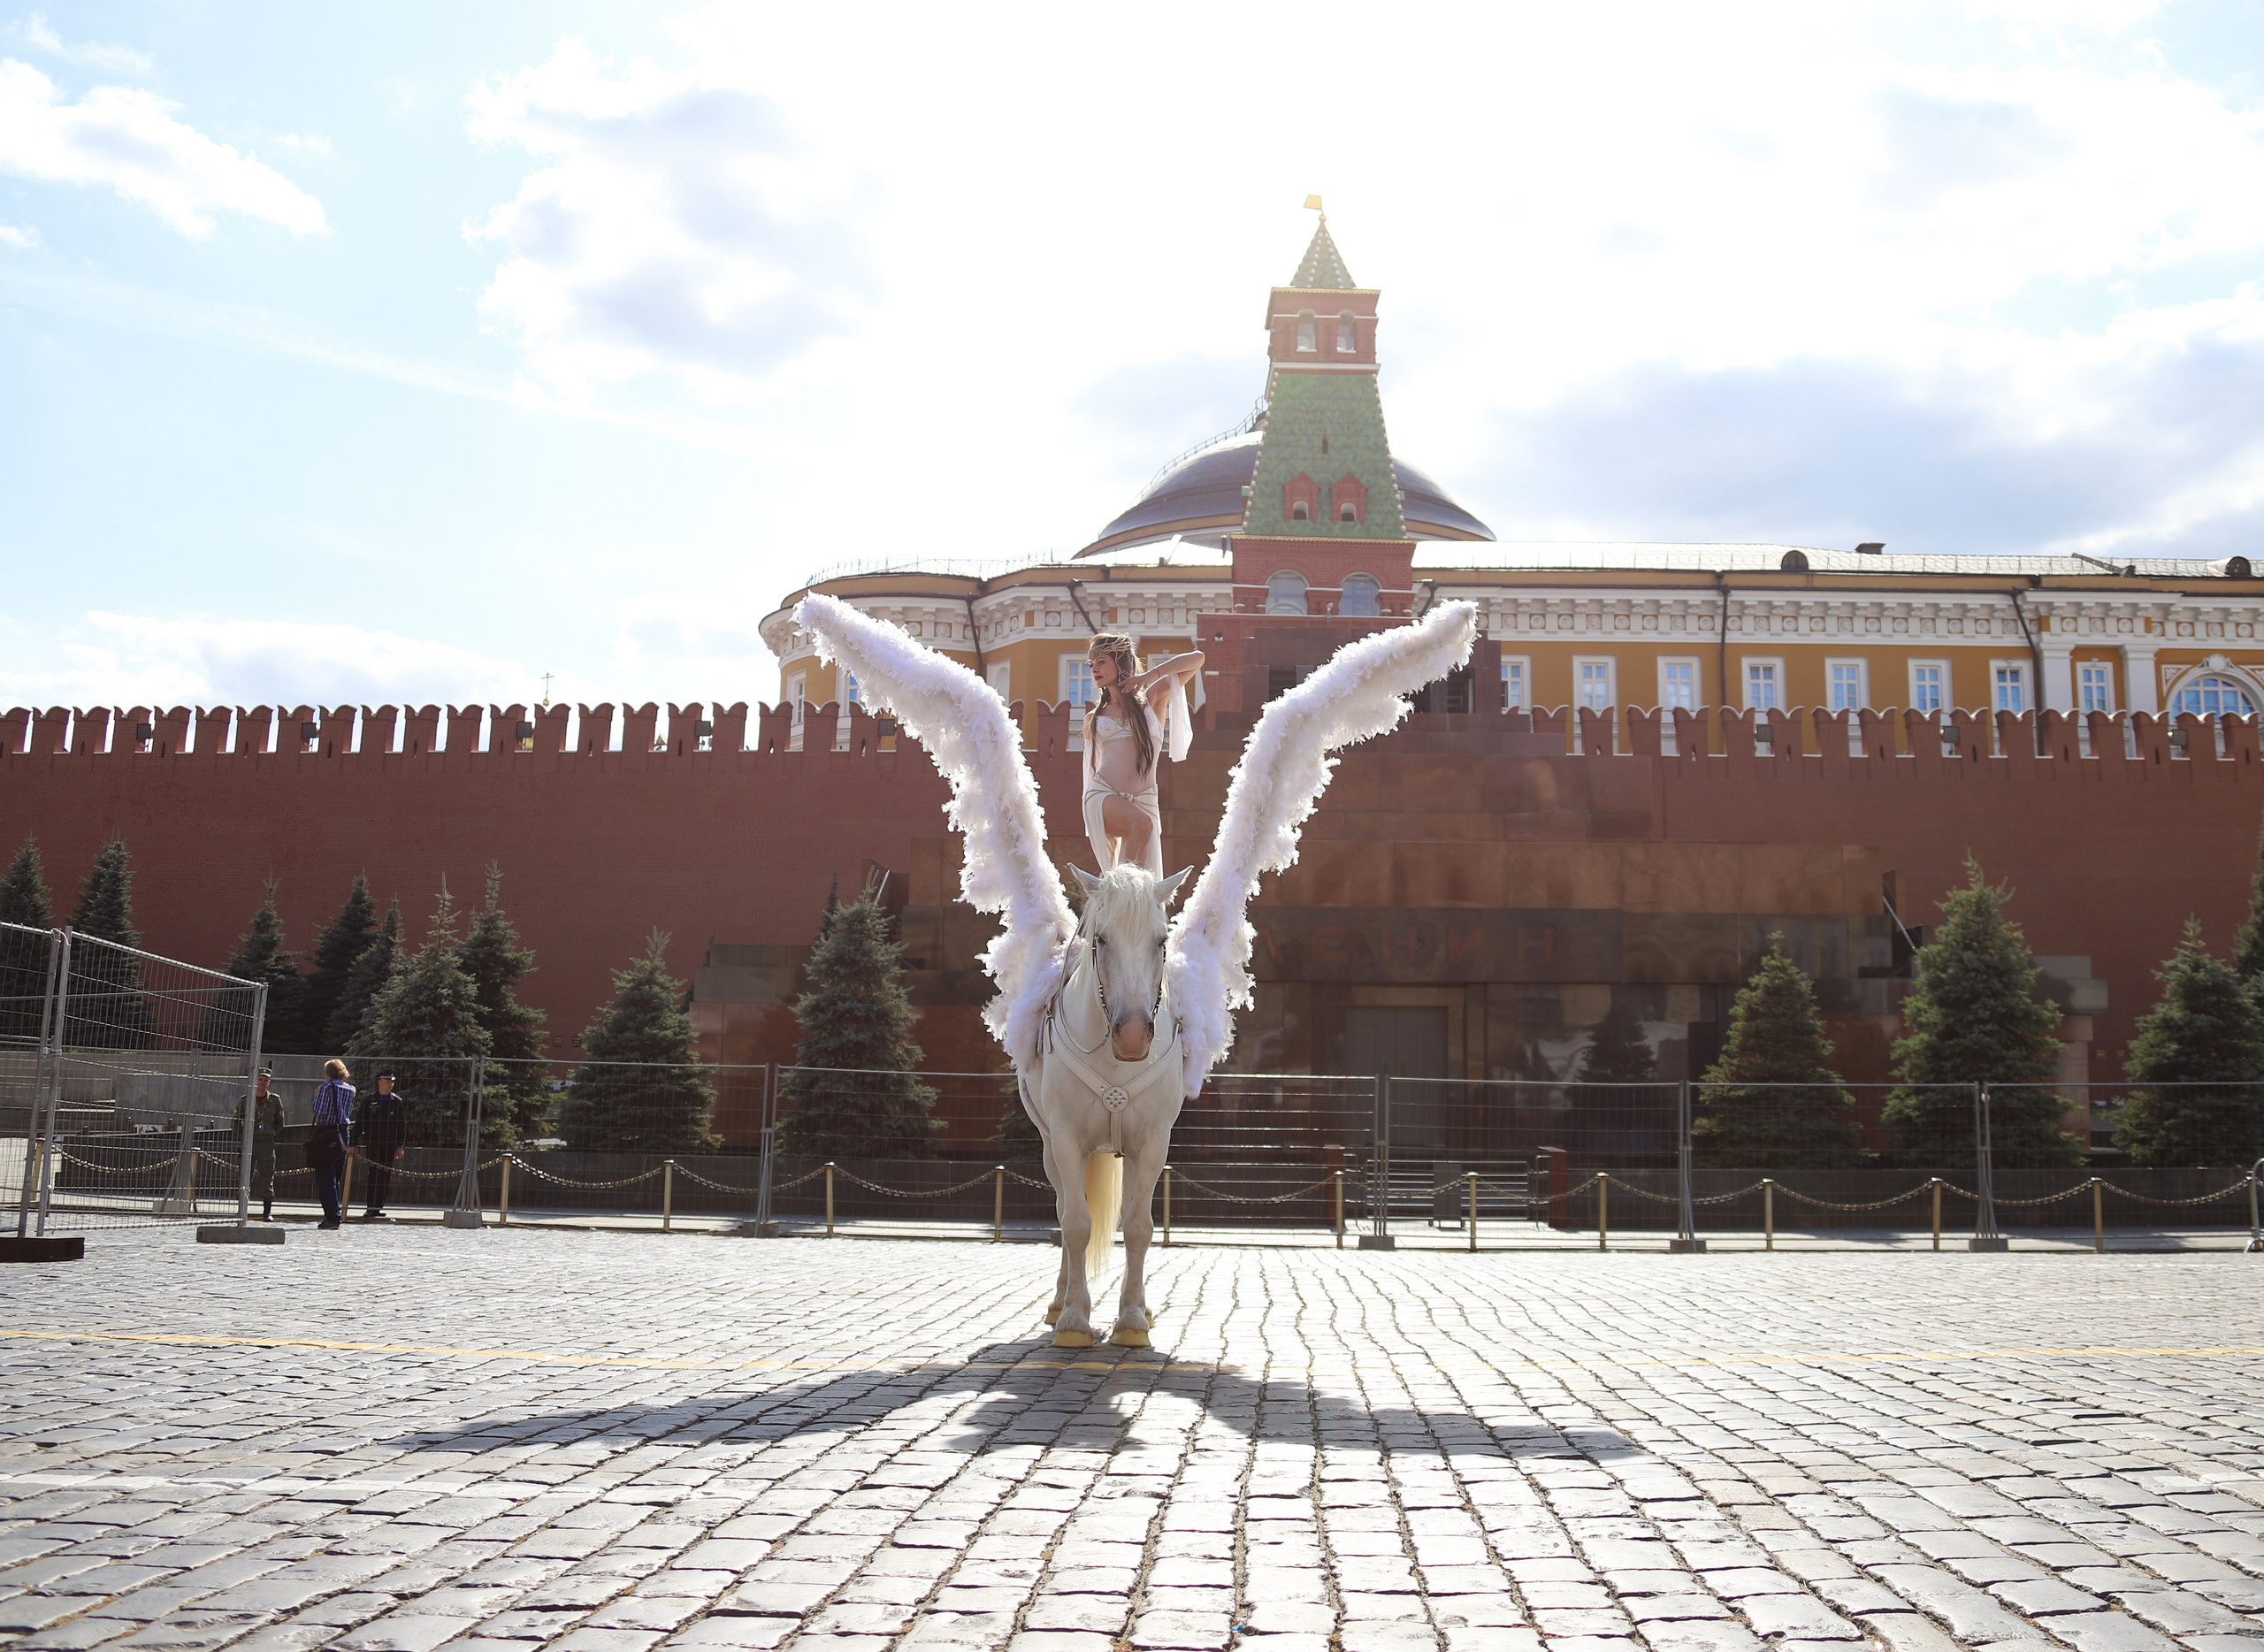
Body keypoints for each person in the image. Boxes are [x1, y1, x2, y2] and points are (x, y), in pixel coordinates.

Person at [1080, 632, 1204, 876]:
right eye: (1091, 664)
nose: (1094, 668)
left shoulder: (1151, 702)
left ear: (1121, 661)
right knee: (1140, 825)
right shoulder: (1093, 719)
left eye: (1101, 661)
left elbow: (1198, 658)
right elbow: (1090, 767)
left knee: (1139, 882)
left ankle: (1124, 910)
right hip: (1103, 794)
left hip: (1145, 800)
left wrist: (1150, 676)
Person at [352, 1069, 407, 1221]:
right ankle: (371, 1207)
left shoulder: (396, 1101)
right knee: (374, 1175)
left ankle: (378, 1207)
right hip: (373, 1143)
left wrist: (400, 1145)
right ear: (379, 1082)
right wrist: (353, 1143)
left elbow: (401, 1126)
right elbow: (359, 1123)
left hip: (389, 1144)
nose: (390, 1084)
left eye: (392, 1082)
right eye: (388, 1081)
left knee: (385, 1176)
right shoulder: (369, 1100)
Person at [309, 1059, 355, 1230]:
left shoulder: (326, 1088)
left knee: (325, 1177)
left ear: (328, 1073)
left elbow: (319, 1110)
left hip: (328, 1133)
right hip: (344, 1132)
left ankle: (332, 1216)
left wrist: (316, 1097)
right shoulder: (350, 1089)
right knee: (336, 1175)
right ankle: (335, 1212)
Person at [248, 1067, 282, 1221]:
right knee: (245, 1176)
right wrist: (244, 1137)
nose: (262, 1083)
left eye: (265, 1080)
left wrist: (270, 1134)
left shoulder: (274, 1100)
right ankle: (242, 1209)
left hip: (267, 1143)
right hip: (250, 1142)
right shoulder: (247, 1099)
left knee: (267, 1177)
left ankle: (267, 1212)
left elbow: (280, 1122)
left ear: (269, 1082)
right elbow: (236, 1121)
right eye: (260, 1079)